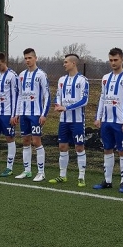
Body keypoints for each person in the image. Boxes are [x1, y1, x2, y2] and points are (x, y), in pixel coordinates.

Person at [93, 47, 123, 193]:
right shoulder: (105, 78)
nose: (113, 62)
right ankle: (108, 180)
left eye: (115, 60)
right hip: (106, 121)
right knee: (107, 149)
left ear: (122, 59)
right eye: (111, 60)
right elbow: (102, 98)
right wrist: (98, 117)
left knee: (122, 151)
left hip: (120, 122)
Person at [48, 53, 89, 187]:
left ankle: (81, 176)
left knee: (79, 146)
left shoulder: (83, 80)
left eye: (66, 62)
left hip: (77, 120)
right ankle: (62, 176)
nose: (64, 64)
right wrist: (58, 105)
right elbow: (57, 96)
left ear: (73, 63)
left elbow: (84, 100)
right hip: (63, 120)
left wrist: (66, 108)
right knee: (62, 146)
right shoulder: (61, 80)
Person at [12, 48, 50, 182]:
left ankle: (41, 172)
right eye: (26, 58)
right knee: (25, 141)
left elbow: (47, 95)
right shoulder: (21, 75)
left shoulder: (41, 75)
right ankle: (27, 170)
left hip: (36, 114)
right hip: (24, 114)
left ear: (35, 58)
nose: (27, 60)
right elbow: (19, 96)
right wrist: (17, 113)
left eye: (30, 58)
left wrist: (44, 114)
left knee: (36, 141)